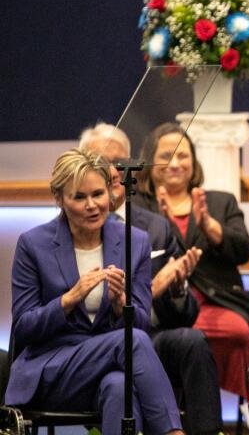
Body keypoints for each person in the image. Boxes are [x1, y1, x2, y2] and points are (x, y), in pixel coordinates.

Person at [4, 149, 183, 435]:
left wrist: (119, 304)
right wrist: (68, 299)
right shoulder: (33, 244)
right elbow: (23, 328)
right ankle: (174, 433)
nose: (92, 205)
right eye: (79, 197)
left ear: (111, 194)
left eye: (98, 194)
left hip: (105, 372)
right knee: (131, 341)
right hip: (52, 371)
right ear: (59, 198)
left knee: (119, 388)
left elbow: (141, 324)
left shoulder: (133, 241)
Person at [79, 123, 223, 434]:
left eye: (120, 163)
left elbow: (187, 315)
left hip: (151, 334)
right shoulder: (73, 224)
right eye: (100, 164)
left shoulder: (154, 227)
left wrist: (176, 286)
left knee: (193, 340)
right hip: (94, 341)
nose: (113, 173)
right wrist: (152, 288)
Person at [135, 122, 249, 400]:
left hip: (218, 302)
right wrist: (163, 227)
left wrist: (210, 227)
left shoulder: (220, 201)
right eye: (165, 156)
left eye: (183, 155)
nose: (175, 163)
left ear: (194, 161)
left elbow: (243, 251)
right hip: (160, 307)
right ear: (149, 161)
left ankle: (248, 409)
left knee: (238, 331)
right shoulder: (136, 206)